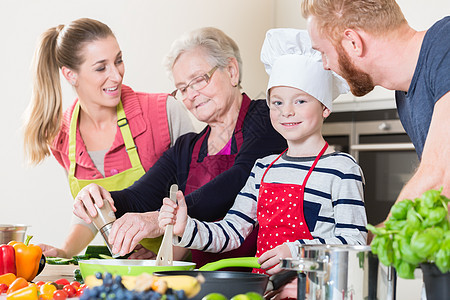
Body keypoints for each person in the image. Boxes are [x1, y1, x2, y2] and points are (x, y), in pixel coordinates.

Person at [158, 28, 367, 294]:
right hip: (266, 293)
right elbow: (232, 232)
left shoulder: (342, 169)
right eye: (277, 102)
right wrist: (187, 227)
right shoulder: (264, 168)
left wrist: (295, 251)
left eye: (300, 101)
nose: (287, 111)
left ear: (325, 107)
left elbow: (354, 242)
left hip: (317, 292)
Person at [72, 27, 287, 268]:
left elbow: (239, 178)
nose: (192, 94)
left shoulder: (269, 118)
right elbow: (139, 198)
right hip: (203, 280)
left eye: (199, 80)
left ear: (232, 71)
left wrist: (161, 220)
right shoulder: (187, 148)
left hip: (262, 276)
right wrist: (100, 197)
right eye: (182, 88)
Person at [23, 18, 195, 259]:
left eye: (119, 61)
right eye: (101, 67)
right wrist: (64, 251)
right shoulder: (62, 136)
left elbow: (204, 195)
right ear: (70, 75)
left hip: (183, 266)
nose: (116, 75)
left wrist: (169, 255)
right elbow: (93, 213)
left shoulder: (164, 112)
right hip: (126, 271)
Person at [300, 0, 450, 234]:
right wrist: (359, 243)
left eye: (323, 53)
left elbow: (440, 175)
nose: (326, 66)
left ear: (353, 42)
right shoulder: (404, 95)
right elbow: (432, 202)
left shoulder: (446, 42)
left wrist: (374, 241)